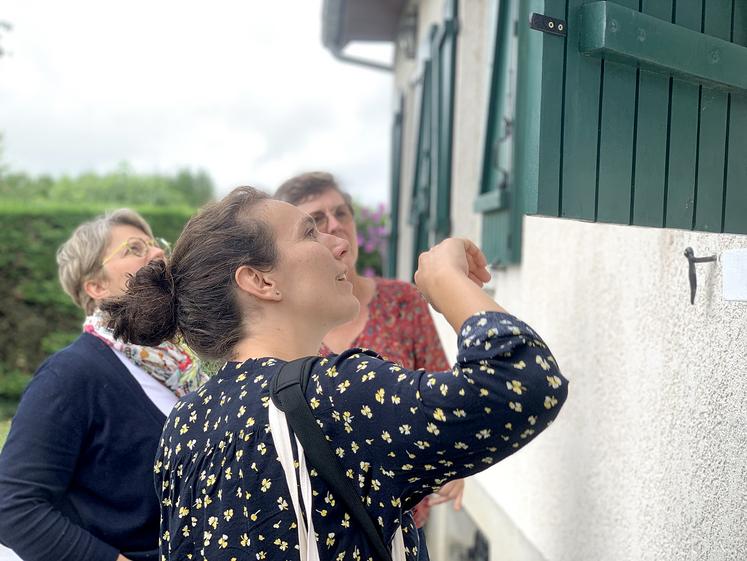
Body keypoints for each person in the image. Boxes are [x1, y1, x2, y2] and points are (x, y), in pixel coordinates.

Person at [103, 186, 569, 561]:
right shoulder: (336, 394)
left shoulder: (187, 421)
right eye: (310, 234)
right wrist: (448, 281)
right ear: (260, 282)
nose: (341, 243)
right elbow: (524, 379)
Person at [0, 209, 207, 561]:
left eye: (156, 244)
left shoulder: (191, 365)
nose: (158, 253)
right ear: (95, 287)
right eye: (134, 248)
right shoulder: (70, 374)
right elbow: (13, 505)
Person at [275, 172, 461, 542]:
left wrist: (454, 463)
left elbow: (444, 392)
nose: (336, 226)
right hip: (322, 528)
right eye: (315, 224)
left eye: (342, 213)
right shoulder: (287, 322)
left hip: (407, 515)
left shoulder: (402, 301)